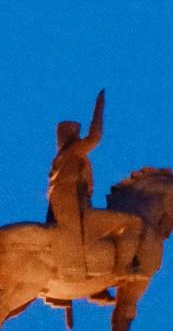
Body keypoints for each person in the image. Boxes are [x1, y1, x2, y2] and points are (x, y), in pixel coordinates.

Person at [46, 90, 140, 279]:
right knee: (132, 222)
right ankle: (121, 268)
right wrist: (99, 108)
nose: (80, 139)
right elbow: (94, 137)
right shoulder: (72, 151)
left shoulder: (65, 159)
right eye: (76, 134)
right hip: (76, 207)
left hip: (74, 204)